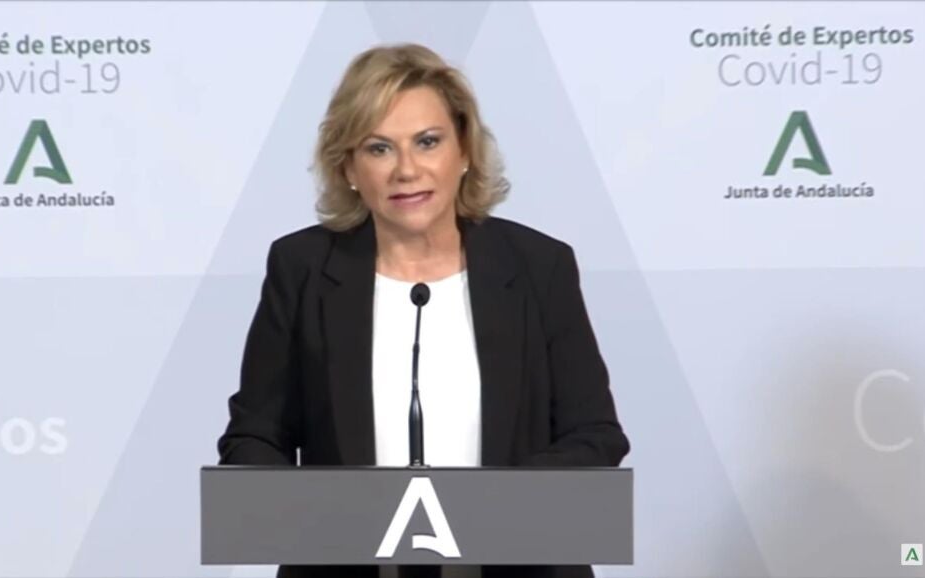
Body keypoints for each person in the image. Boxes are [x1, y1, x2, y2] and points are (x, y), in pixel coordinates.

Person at [217, 43, 629, 578]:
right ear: (348, 167)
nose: (406, 170)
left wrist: (495, 506)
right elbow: (254, 438)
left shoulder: (538, 266)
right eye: (379, 148)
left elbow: (594, 435)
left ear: (465, 152)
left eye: (428, 142)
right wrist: (307, 510)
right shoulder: (302, 269)